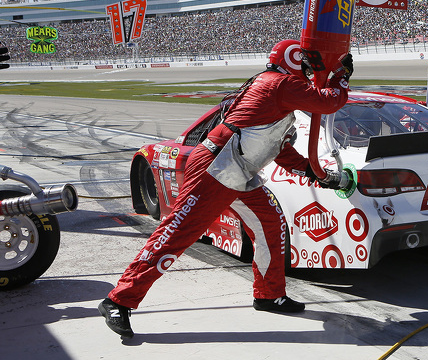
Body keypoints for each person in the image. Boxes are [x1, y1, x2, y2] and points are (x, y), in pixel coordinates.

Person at [98, 39, 354, 338]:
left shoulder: (276, 89)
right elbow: (329, 101)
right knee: (177, 233)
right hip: (216, 168)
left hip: (237, 170)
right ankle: (118, 300)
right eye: (309, 68)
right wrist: (341, 76)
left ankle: (269, 294)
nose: (312, 75)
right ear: (294, 61)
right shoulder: (278, 84)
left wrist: (313, 172)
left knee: (270, 224)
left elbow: (279, 150)